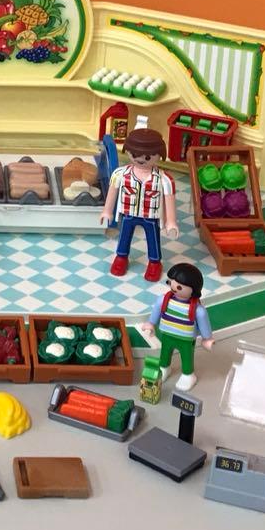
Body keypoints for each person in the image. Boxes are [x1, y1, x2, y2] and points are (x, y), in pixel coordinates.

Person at [99, 118, 178, 281]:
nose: (141, 159)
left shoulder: (164, 179)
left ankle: (154, 262)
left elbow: (169, 201)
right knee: (124, 235)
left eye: (148, 156)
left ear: (159, 154)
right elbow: (112, 192)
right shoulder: (120, 174)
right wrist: (107, 211)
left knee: (153, 238)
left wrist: (171, 222)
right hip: (128, 213)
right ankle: (121, 257)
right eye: (135, 154)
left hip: (151, 216)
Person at [139, 262, 213, 391]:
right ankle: (164, 368)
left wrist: (207, 338)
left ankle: (188, 375)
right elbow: (156, 311)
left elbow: (203, 321)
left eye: (179, 287)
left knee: (186, 356)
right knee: (165, 353)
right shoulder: (164, 300)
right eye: (170, 282)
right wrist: (151, 323)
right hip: (167, 334)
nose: (173, 288)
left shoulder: (197, 309)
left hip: (185, 339)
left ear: (194, 290)